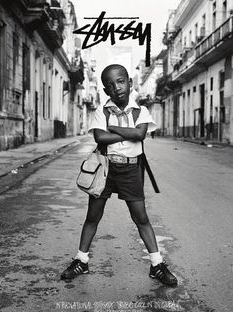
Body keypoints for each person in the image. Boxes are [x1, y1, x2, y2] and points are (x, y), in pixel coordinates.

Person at [61, 64, 177, 286]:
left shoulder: (140, 111)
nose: (117, 88)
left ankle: (156, 265)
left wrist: (112, 128)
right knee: (93, 216)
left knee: (141, 218)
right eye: (111, 85)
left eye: (121, 81)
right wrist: (126, 133)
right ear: (106, 91)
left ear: (130, 83)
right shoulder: (101, 111)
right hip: (105, 168)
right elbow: (99, 139)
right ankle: (81, 260)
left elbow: (140, 133)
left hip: (131, 170)